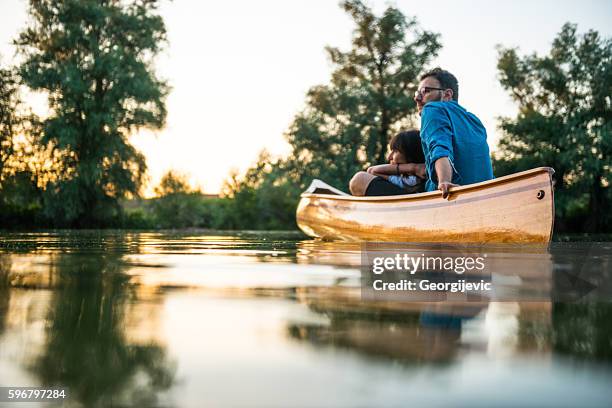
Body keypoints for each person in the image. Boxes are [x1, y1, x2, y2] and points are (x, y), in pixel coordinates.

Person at [414, 68, 494, 198]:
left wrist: (445, 181)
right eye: (417, 93)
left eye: (425, 91)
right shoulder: (474, 121)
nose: (417, 98)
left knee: (367, 179)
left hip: (446, 196)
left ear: (447, 95)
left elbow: (439, 147)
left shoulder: (432, 108)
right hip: (484, 196)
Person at [349, 130, 426, 196]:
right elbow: (371, 171)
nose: (389, 157)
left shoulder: (423, 176)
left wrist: (413, 167)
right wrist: (413, 167)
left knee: (360, 179)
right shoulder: (404, 178)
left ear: (411, 153)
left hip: (415, 207)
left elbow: (369, 173)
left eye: (395, 151)